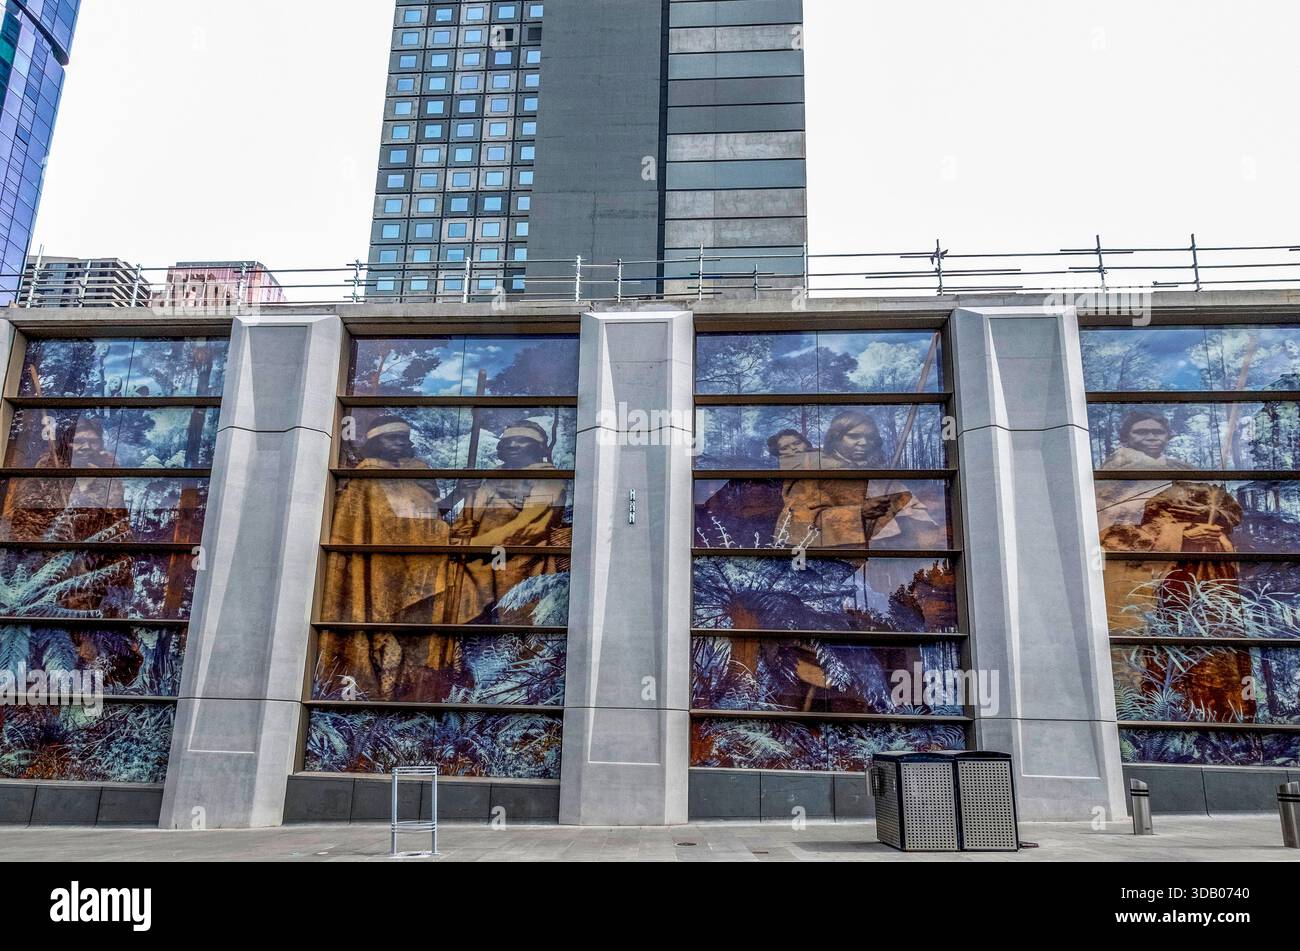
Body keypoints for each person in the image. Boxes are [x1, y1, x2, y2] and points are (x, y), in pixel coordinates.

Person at [320, 415, 456, 700]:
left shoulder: (418, 476)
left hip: (419, 568)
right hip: (382, 568)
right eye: (391, 437)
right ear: (374, 442)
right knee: (387, 640)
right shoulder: (367, 477)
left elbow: (426, 517)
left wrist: (454, 502)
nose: (399, 443)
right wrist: (442, 533)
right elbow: (389, 525)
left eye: (404, 438)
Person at [445, 420, 566, 624]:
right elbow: (469, 517)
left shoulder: (547, 477)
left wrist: (474, 545)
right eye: (508, 441)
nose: (512, 445)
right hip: (481, 560)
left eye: (522, 441)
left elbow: (529, 526)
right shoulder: (492, 478)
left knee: (514, 615)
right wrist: (459, 535)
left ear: (539, 447)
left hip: (521, 559)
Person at [778, 410, 937, 548]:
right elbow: (797, 523)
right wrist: (858, 513)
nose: (864, 443)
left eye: (870, 437)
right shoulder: (810, 472)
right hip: (839, 565)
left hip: (889, 562)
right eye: (854, 436)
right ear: (836, 438)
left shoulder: (881, 475)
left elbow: (917, 516)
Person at [1101, 411, 1195, 470]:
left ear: (1167, 437)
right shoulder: (1115, 466)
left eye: (1158, 432)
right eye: (1141, 432)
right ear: (1126, 437)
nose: (1151, 437)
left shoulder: (1183, 467)